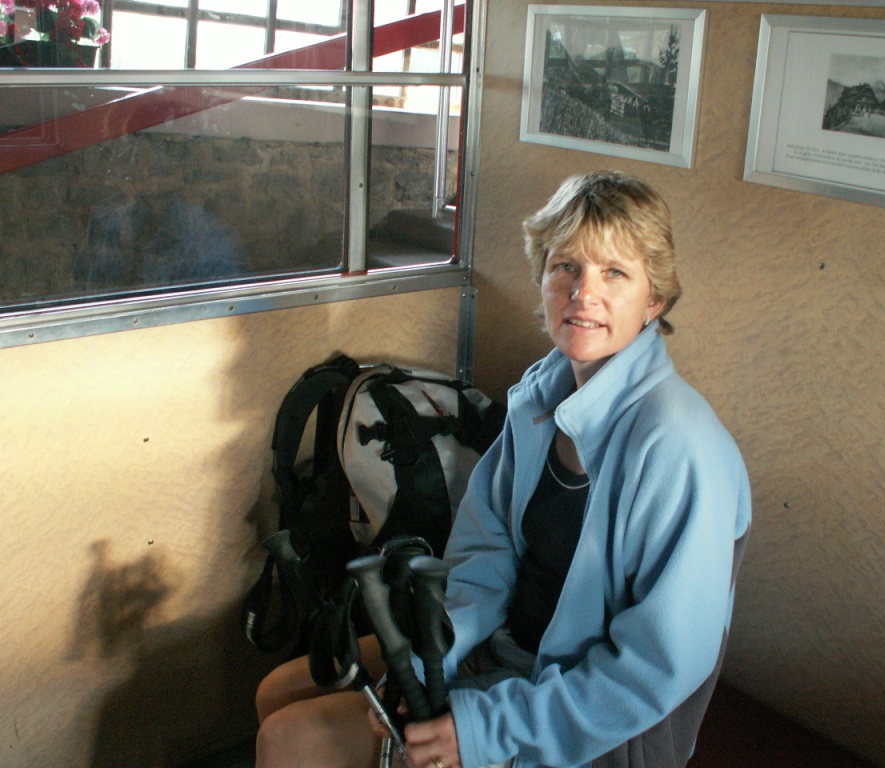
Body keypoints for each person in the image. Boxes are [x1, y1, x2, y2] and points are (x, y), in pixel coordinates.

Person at [254, 170, 751, 768]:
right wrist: (431, 660)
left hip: (587, 720)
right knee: (277, 692)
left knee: (291, 739)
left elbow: (653, 671)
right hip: (506, 650)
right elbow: (485, 553)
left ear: (654, 300)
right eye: (566, 266)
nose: (583, 293)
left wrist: (480, 729)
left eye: (614, 273)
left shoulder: (681, 448)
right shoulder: (541, 398)